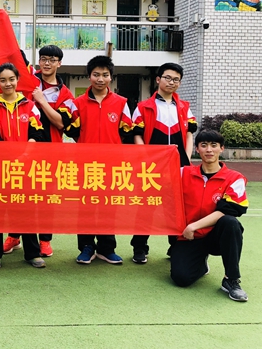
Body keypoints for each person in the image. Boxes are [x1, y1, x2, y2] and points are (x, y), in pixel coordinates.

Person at [3, 45, 76, 258]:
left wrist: (42, 101)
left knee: (46, 199)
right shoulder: (27, 80)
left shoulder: (66, 94)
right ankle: (14, 236)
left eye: (52, 59)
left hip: (50, 152)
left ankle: (45, 240)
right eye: (43, 58)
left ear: (59, 63)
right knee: (18, 194)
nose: (47, 63)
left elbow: (61, 123)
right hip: (22, 148)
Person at [67, 55, 132, 265]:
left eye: (105, 75)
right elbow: (72, 131)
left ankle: (107, 248)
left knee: (109, 206)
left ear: (111, 77)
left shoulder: (122, 103)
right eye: (96, 74)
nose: (100, 79)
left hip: (112, 165)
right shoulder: (77, 103)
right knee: (85, 206)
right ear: (89, 76)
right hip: (85, 165)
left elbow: (127, 132)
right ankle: (86, 247)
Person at [130, 62, 198, 264]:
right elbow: (137, 134)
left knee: (175, 208)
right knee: (146, 208)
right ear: (158, 79)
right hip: (151, 167)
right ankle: (140, 248)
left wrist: (186, 159)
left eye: (176, 79)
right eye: (167, 78)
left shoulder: (184, 107)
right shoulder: (143, 107)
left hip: (179, 166)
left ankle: (175, 247)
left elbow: (189, 134)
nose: (171, 82)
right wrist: (146, 158)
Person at [170, 130, 249, 302]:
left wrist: (194, 226)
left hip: (215, 237)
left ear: (222, 148)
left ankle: (231, 280)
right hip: (189, 237)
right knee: (181, 278)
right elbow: (158, 180)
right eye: (204, 145)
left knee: (230, 222)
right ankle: (201, 264)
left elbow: (230, 209)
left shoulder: (235, 178)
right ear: (197, 149)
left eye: (214, 145)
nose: (209, 150)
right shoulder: (183, 173)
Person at [0, 62, 45, 269]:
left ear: (18, 80)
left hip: (26, 168)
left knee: (26, 210)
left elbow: (38, 132)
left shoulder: (29, 106)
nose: (7, 83)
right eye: (3, 80)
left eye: (11, 79)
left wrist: (26, 154)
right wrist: (9, 158)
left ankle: (32, 253)